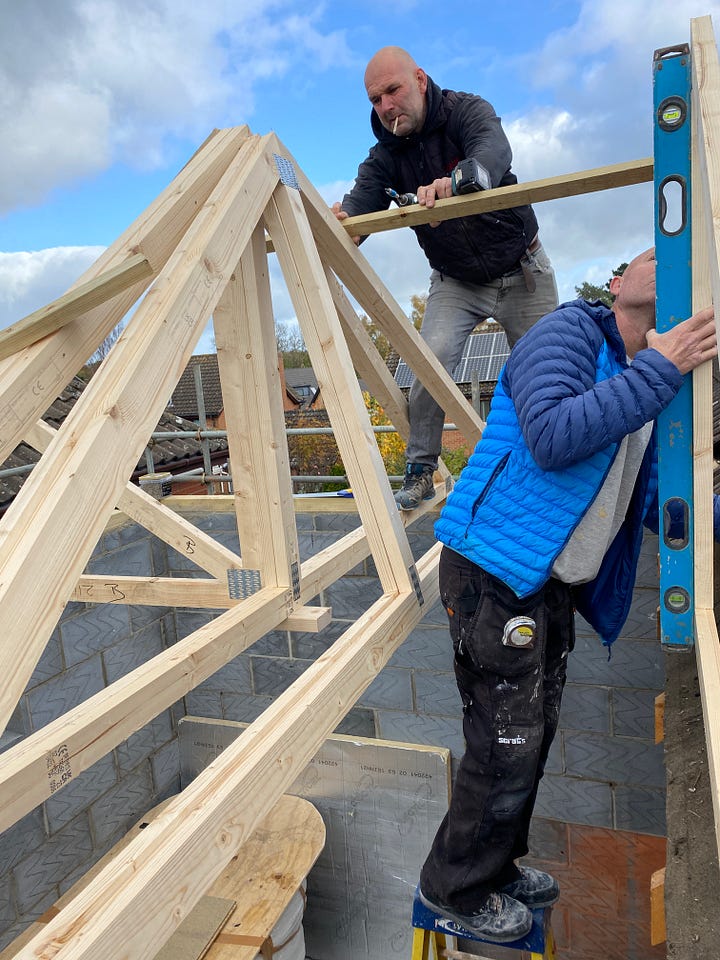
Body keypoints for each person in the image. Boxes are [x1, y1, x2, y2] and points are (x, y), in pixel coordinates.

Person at [418, 248, 719, 942]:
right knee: (502, 743)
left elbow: (647, 500)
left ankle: (493, 867)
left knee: (529, 739)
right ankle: (452, 888)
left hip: (543, 583)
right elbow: (553, 437)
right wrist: (661, 368)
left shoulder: (655, 386)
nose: (668, 261)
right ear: (618, 284)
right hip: (491, 574)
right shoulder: (569, 332)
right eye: (651, 254)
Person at [332, 46, 558, 510]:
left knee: (546, 370)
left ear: (419, 79)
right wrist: (341, 223)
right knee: (429, 360)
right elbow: (362, 203)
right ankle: (420, 469)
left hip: (522, 268)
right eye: (375, 100)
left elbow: (492, 150)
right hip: (456, 280)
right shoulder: (384, 158)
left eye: (392, 91)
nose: (386, 107)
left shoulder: (466, 111)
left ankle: (553, 463)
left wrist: (460, 180)